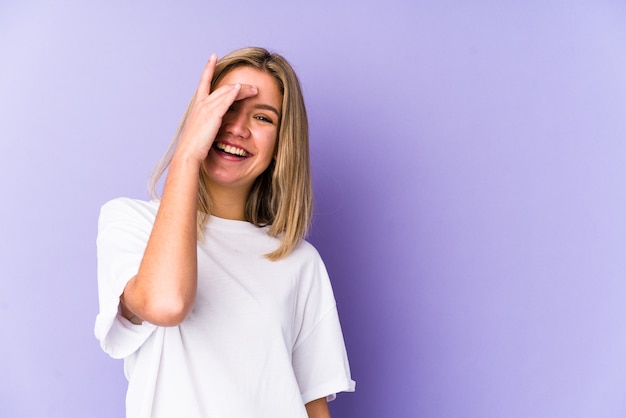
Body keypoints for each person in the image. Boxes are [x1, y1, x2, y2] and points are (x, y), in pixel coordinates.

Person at [94, 47, 355, 418]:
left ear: (281, 145)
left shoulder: (299, 261)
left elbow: (312, 404)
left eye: (263, 117)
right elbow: (166, 304)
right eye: (226, 107)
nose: (238, 128)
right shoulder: (131, 222)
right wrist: (186, 155)